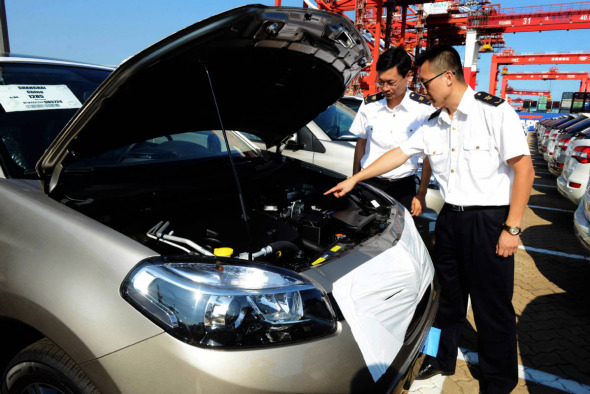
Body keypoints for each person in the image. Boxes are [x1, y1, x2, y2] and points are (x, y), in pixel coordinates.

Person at [325, 44, 535, 393]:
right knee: (446, 298)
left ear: (448, 77)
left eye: (426, 81)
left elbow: (524, 170)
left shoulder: (494, 113)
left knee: (491, 305)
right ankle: (441, 359)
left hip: (488, 222)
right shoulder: (435, 123)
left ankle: (499, 380)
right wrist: (356, 178)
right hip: (451, 220)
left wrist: (512, 227)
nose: (422, 88)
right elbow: (398, 154)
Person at [350, 46, 433, 216]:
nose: (385, 88)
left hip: (403, 188)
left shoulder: (423, 110)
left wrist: (421, 193)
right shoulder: (369, 105)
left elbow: (428, 156)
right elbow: (361, 145)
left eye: (391, 83)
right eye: (381, 82)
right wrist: (355, 181)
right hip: (369, 185)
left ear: (407, 77)